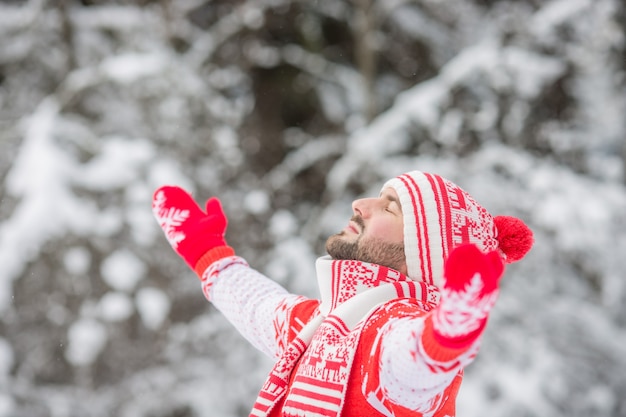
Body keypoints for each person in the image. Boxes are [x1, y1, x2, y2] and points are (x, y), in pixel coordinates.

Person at [152, 170, 533, 417]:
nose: (360, 205)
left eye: (391, 208)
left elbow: (414, 360)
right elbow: (260, 308)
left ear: (422, 251)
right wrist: (207, 253)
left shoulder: (387, 330)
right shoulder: (328, 325)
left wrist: (452, 327)